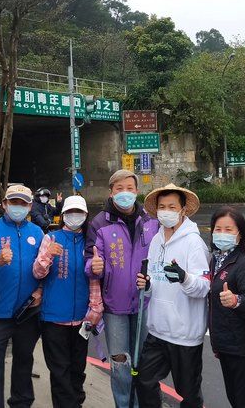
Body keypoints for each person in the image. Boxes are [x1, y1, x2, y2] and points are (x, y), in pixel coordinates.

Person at [85, 169, 159, 408]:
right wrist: (93, 265)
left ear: (137, 191)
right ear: (111, 192)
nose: (125, 193)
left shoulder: (151, 221)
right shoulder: (99, 223)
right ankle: (124, 404)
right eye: (119, 189)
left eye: (130, 188)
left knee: (143, 362)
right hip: (114, 306)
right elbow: (90, 260)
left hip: (144, 303)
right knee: (120, 364)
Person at [135, 184, 210, 408]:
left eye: (171, 206)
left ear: (182, 210)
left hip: (184, 334)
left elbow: (204, 286)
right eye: (162, 207)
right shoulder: (156, 241)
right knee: (144, 380)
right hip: (157, 329)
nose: (166, 211)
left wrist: (184, 277)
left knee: (188, 392)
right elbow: (153, 282)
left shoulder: (194, 243)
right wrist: (146, 285)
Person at [0, 185, 44, 408]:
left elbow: (44, 267)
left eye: (23, 203)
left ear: (30, 206)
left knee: (24, 360)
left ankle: (22, 402)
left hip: (27, 312)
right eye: (14, 202)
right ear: (4, 204)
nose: (18, 207)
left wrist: (40, 291)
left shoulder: (37, 233)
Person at [33, 195, 103, 408]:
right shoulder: (51, 238)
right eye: (71, 212)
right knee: (59, 371)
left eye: (79, 212)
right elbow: (37, 273)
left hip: (82, 319)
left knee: (77, 369)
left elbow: (94, 280)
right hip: (54, 318)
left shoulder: (92, 243)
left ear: (85, 215)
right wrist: (47, 256)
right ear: (63, 215)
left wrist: (95, 309)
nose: (75, 216)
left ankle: (76, 403)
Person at [208, 206, 245, 408]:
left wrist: (236, 301)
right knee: (235, 399)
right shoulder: (217, 261)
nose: (222, 234)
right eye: (218, 229)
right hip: (226, 346)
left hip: (244, 349)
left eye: (229, 229)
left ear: (240, 235)